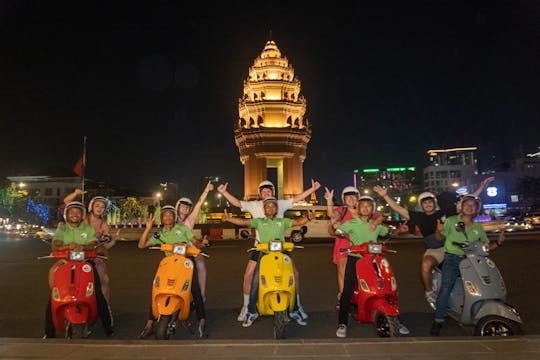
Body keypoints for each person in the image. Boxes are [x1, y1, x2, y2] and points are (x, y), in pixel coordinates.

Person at [372, 176, 494, 309]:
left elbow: (467, 203)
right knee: (425, 264)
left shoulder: (444, 212)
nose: (428, 204)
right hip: (434, 249)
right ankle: (429, 292)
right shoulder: (418, 216)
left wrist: (481, 188)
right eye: (425, 203)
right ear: (421, 205)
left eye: (430, 202)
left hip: (452, 246)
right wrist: (385, 196)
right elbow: (397, 208)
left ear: (435, 203)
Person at [217, 179, 321, 325]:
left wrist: (312, 190)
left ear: (273, 193)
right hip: (260, 247)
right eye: (263, 191)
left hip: (280, 247)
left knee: (293, 274)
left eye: (269, 191)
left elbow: (297, 206)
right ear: (260, 194)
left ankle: (296, 307)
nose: (267, 194)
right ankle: (248, 307)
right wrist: (223, 193)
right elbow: (238, 207)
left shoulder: (281, 204)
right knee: (250, 276)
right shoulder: (255, 207)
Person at [138, 182, 213, 338]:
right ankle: (150, 323)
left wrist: (201, 243)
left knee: (195, 290)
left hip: (186, 263)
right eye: (165, 215)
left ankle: (202, 321)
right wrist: (147, 229)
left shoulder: (183, 229)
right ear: (162, 218)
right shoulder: (160, 234)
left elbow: (196, 242)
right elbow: (142, 245)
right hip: (168, 265)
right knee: (156, 289)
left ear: (174, 217)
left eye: (170, 215)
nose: (168, 217)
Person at [430, 194, 505, 335]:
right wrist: (438, 230)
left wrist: (498, 243)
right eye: (467, 205)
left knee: (484, 283)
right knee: (446, 288)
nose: (469, 207)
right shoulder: (452, 221)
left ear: (476, 209)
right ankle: (438, 319)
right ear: (462, 207)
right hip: (452, 259)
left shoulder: (478, 227)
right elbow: (439, 238)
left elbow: (486, 247)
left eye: (473, 205)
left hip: (473, 260)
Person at [43, 201, 114, 338]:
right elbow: (56, 244)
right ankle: (49, 331)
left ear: (82, 215)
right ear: (66, 214)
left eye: (78, 212)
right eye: (71, 212)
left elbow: (93, 243)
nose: (74, 215)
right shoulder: (62, 229)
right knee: (53, 290)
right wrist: (67, 246)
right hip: (66, 261)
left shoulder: (87, 229)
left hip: (85, 262)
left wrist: (84, 247)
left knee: (97, 292)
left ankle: (108, 326)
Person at [330, 195, 390, 338]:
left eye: (369, 206)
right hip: (355, 259)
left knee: (384, 285)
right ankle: (342, 323)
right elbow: (338, 232)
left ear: (372, 209)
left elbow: (387, 232)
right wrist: (336, 228)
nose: (365, 208)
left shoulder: (376, 226)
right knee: (347, 290)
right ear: (358, 208)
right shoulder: (351, 223)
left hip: (373, 260)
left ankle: (393, 317)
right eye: (362, 205)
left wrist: (398, 230)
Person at [324, 186, 383, 309]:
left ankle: (372, 294)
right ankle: (343, 298)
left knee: (372, 270)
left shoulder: (364, 209)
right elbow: (331, 214)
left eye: (353, 196)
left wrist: (374, 223)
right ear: (343, 199)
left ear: (358, 198)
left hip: (363, 244)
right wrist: (329, 201)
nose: (351, 199)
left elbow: (380, 216)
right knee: (343, 270)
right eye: (347, 197)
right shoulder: (342, 210)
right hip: (344, 245)